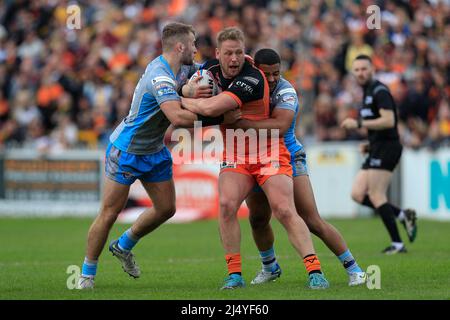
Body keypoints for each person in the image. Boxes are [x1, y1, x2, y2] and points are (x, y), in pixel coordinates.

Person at [77, 22, 230, 289]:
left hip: (154, 150)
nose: (196, 50)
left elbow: (209, 71)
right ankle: (86, 275)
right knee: (110, 212)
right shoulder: (159, 75)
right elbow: (178, 117)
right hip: (127, 150)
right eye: (193, 44)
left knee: (166, 208)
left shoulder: (182, 68)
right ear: (180, 46)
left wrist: (237, 67)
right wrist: (220, 114)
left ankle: (123, 245)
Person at [181, 27, 329, 290]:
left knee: (284, 210)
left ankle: (315, 271)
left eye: (239, 52)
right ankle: (235, 275)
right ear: (218, 54)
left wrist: (180, 100)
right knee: (228, 206)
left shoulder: (252, 77)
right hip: (236, 153)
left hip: (267, 150)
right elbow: (192, 82)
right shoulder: (209, 68)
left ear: (245, 53)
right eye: (229, 53)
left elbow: (212, 109)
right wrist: (186, 89)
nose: (234, 59)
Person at [230, 48, 366, 286]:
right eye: (267, 74)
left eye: (276, 73)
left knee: (312, 220)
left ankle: (353, 268)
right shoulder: (245, 85)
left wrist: (241, 123)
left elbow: (280, 126)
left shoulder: (286, 91)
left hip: (290, 158)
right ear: (256, 71)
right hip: (255, 159)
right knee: (258, 219)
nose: (272, 79)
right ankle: (270, 267)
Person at [341, 54, 417, 255]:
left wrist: (357, 124)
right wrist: (369, 144)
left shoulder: (379, 90)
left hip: (388, 148)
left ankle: (398, 245)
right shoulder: (367, 93)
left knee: (376, 195)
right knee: (357, 194)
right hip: (377, 147)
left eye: (364, 69)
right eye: (356, 70)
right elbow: (378, 126)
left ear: (372, 69)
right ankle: (402, 214)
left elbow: (389, 121)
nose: (360, 73)